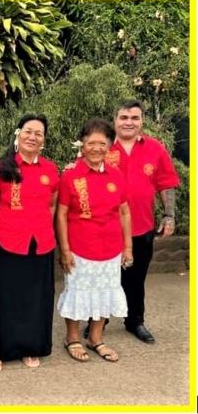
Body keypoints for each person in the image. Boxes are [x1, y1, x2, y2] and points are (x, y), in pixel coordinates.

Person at [83, 100, 180, 343]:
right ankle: (98, 321)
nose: (129, 122)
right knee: (101, 277)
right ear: (115, 120)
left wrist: (169, 216)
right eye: (124, 117)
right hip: (104, 228)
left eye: (134, 118)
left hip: (141, 226)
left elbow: (166, 184)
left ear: (142, 121)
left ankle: (134, 321)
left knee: (136, 279)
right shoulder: (100, 147)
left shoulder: (155, 149)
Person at [0, 114, 59, 373]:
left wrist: (45, 228)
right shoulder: (1, 168)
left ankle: (30, 348)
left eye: (38, 133)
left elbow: (53, 204)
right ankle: (1, 350)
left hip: (42, 244)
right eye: (28, 131)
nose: (32, 137)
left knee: (37, 299)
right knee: (8, 298)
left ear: (43, 140)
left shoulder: (50, 169)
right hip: (9, 242)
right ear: (18, 134)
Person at [57, 118, 132, 362]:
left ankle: (96, 338)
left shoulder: (116, 175)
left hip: (110, 248)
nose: (97, 148)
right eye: (91, 142)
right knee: (77, 291)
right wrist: (64, 250)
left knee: (105, 291)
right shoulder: (70, 175)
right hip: (79, 248)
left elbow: (124, 211)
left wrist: (128, 247)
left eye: (102, 143)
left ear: (110, 146)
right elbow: (62, 214)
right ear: (82, 145)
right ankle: (73, 337)